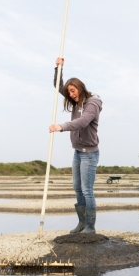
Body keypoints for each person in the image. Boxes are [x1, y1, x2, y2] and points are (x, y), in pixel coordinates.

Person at [50, 57, 102, 234]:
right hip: (77, 152)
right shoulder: (75, 101)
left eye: (73, 91)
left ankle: (90, 226)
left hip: (89, 153)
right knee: (77, 188)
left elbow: (82, 122)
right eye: (69, 92)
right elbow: (58, 86)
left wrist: (61, 126)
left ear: (80, 87)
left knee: (87, 190)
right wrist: (59, 68)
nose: (71, 94)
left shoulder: (92, 104)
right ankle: (81, 223)